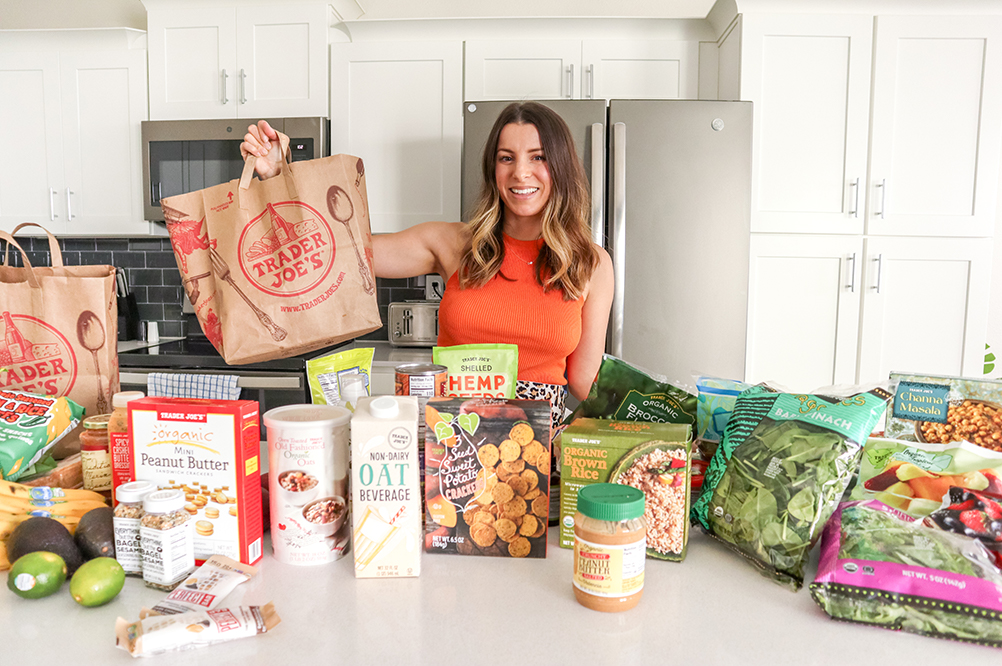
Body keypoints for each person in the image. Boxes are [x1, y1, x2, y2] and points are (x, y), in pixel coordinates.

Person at [241, 102, 613, 428]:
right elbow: (336, 251)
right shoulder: (452, 244)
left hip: (538, 452)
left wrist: (657, 407)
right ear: (493, 168)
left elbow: (585, 382)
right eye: (506, 157)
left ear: (561, 165)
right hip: (449, 442)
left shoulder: (591, 264)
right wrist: (278, 177)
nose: (520, 173)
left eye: (538, 157)